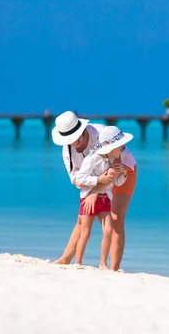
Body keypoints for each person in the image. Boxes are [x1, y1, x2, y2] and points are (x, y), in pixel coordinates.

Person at [51, 111, 138, 271]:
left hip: (123, 170)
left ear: (83, 130)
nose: (74, 142)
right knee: (81, 218)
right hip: (98, 181)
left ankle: (113, 269)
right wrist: (93, 189)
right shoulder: (68, 151)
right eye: (69, 140)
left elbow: (115, 167)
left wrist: (95, 191)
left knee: (116, 218)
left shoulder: (101, 134)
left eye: (76, 137)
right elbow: (77, 180)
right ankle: (66, 259)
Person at [73, 126, 133, 269]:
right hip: (88, 198)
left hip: (105, 198)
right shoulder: (92, 159)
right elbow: (80, 177)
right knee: (85, 232)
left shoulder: (114, 161)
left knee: (108, 230)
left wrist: (124, 172)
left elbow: (117, 182)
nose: (123, 148)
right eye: (121, 146)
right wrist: (98, 180)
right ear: (111, 146)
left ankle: (102, 263)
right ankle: (78, 262)